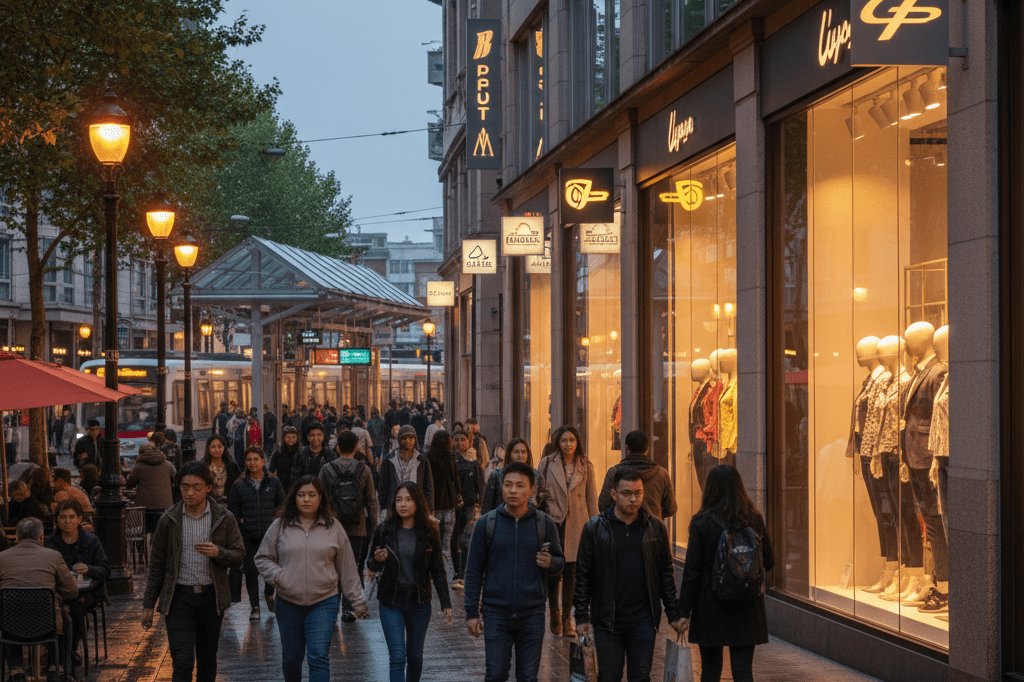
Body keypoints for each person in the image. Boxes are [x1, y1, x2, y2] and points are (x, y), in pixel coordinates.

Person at [574, 469, 687, 682]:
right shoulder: (595, 528)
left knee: (640, 676)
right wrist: (581, 615)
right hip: (608, 619)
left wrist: (673, 612)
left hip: (643, 619)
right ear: (614, 495)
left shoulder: (655, 528)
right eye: (626, 493)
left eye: (638, 493)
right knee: (609, 676)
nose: (633, 499)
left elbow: (665, 573)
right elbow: (584, 575)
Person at [255, 476, 369, 682]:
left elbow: (348, 567)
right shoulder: (280, 525)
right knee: (291, 659)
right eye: (301, 495)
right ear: (294, 498)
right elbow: (262, 558)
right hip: (288, 602)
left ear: (321, 499)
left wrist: (358, 600)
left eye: (311, 495)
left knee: (318, 657)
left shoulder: (333, 527)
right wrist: (280, 577)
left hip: (324, 601)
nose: (306, 499)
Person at [142, 461, 245, 682]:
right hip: (179, 599)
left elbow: (239, 556)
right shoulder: (169, 520)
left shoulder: (224, 518)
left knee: (207, 661)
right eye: (185, 487)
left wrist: (219, 553)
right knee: (182, 661)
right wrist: (148, 605)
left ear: (208, 487)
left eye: (197, 487)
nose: (190, 493)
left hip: (211, 598)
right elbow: (157, 565)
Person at [464, 462, 565, 682]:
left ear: (531, 489)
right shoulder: (486, 523)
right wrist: (471, 612)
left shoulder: (544, 523)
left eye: (520, 486)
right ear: (502, 487)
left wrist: (551, 563)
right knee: (496, 674)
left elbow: (559, 563)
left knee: (528, 677)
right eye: (508, 485)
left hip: (532, 613)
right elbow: (473, 571)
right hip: (496, 613)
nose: (513, 490)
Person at [677, 465, 775, 682]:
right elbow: (769, 561)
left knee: (710, 671)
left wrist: (683, 611)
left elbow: (692, 571)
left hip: (710, 605)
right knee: (742, 671)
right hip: (747, 605)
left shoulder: (701, 522)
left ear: (709, 489)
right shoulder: (754, 520)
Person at [366, 482, 452, 682]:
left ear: (418, 502)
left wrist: (446, 601)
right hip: (391, 601)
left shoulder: (430, 531)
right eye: (398, 500)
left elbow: (437, 568)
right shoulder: (384, 530)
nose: (402, 504)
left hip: (419, 602)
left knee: (415, 657)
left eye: (408, 499)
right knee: (397, 657)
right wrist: (377, 560)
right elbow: (371, 565)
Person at [536, 424, 598, 637]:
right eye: (564, 440)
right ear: (558, 443)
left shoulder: (586, 465)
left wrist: (595, 525)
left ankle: (566, 619)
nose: (568, 444)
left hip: (578, 523)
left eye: (572, 440)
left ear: (577, 441)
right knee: (554, 569)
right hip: (554, 521)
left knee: (572, 572)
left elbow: (592, 498)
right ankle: (554, 610)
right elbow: (537, 493)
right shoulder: (547, 463)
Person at [0, 517, 78, 682]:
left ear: (16, 536)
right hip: (46, 624)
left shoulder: (2, 557)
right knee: (65, 619)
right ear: (41, 537)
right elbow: (72, 591)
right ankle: (57, 667)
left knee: (9, 610)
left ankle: (16, 669)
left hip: (10, 625)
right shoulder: (53, 556)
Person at [318, 431, 378, 623]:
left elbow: (319, 498)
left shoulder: (326, 469)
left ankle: (331, 608)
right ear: (357, 447)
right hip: (357, 527)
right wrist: (374, 529)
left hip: (331, 527)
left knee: (332, 569)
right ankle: (349, 608)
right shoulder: (364, 470)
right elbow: (371, 501)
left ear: (337, 448)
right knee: (354, 569)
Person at [46, 499, 110, 667]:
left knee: (76, 606)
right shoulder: (50, 543)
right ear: (57, 520)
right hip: (59, 593)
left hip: (86, 592)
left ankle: (69, 650)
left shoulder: (91, 541)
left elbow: (105, 570)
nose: (67, 521)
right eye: (62, 517)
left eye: (72, 517)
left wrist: (88, 569)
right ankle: (57, 651)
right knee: (51, 607)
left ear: (79, 519)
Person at [229, 445, 286, 621]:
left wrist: (276, 522)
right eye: (249, 460)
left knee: (271, 570)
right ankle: (255, 606)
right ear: (245, 462)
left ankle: (269, 593)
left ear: (263, 461)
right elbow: (233, 511)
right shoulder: (239, 485)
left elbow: (282, 505)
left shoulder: (274, 482)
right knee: (251, 571)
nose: (252, 463)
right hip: (248, 535)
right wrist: (239, 527)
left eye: (256, 459)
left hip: (270, 535)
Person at [597, 430, 677, 521]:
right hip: (653, 531)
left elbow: (603, 506)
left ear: (627, 448)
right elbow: (671, 508)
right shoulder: (661, 473)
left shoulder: (614, 472)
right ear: (647, 449)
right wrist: (655, 514)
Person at [425, 430, 461, 581]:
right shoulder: (451, 458)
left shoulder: (428, 458)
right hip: (448, 503)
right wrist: (459, 494)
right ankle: (443, 573)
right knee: (446, 541)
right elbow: (455, 478)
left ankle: (431, 571)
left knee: (433, 540)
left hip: (433, 504)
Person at [451, 429, 484, 588]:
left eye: (462, 439)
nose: (459, 443)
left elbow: (480, 482)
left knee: (466, 538)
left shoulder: (474, 460)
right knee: (454, 538)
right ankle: (457, 571)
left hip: (470, 504)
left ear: (468, 441)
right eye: (456, 440)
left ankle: (463, 573)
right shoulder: (451, 459)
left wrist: (481, 501)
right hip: (454, 504)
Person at [379, 425, 434, 512]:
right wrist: (383, 508)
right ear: (399, 440)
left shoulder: (421, 459)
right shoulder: (389, 460)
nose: (408, 441)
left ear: (415, 439)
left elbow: (428, 486)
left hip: (416, 506)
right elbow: (383, 486)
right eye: (404, 438)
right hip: (395, 507)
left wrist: (429, 509)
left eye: (411, 438)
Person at [126, 440, 177, 535]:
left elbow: (129, 483)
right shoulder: (168, 465)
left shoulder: (139, 466)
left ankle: (142, 546)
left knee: (140, 530)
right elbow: (176, 479)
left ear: (140, 454)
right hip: (166, 507)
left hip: (145, 509)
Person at [481, 438, 535, 515]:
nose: (520, 456)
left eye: (523, 452)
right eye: (516, 452)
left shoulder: (536, 477)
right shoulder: (496, 476)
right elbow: (486, 507)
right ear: (509, 454)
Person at [203, 434, 240, 503]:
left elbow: (237, 487)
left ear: (224, 447)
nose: (216, 450)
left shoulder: (232, 466)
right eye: (213, 447)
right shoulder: (203, 466)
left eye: (219, 446)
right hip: (209, 505)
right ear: (208, 448)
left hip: (229, 505)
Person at [269, 425, 301, 494]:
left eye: (293, 437)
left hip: (298, 486)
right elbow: (271, 470)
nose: (291, 439)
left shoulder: (301, 453)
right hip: (282, 485)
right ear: (284, 438)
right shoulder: (278, 453)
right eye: (288, 437)